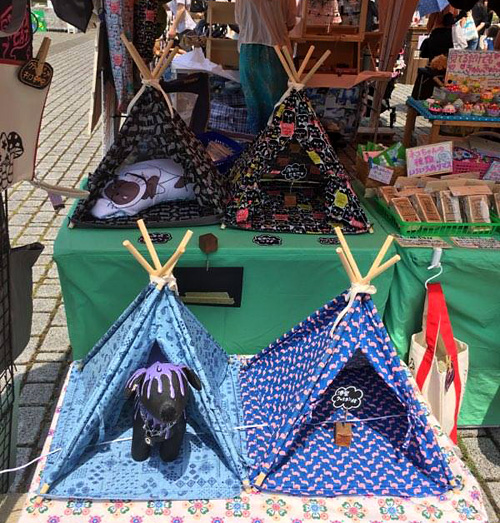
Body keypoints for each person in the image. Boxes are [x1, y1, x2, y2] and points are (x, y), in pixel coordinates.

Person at [235, 0, 297, 134]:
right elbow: (290, 23)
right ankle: (275, 140)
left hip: (248, 50)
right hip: (276, 51)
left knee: (253, 104)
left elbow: (239, 21)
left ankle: (256, 140)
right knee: (277, 104)